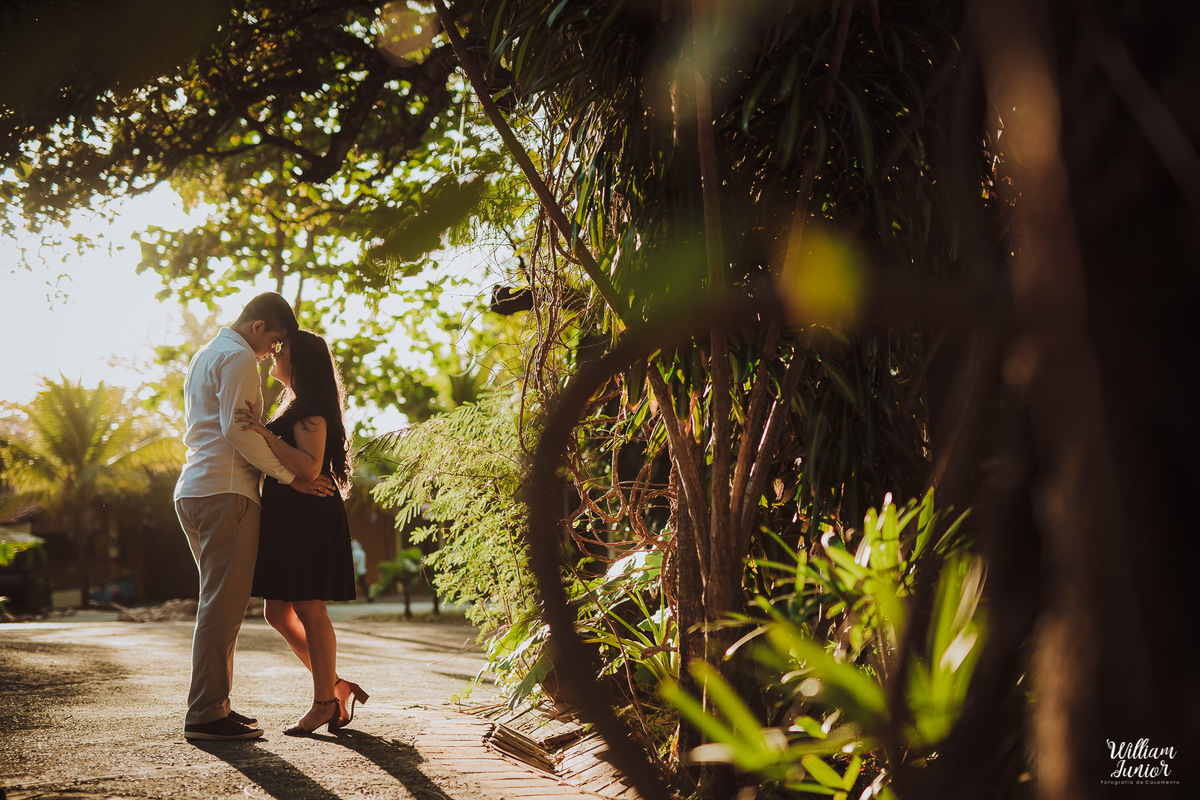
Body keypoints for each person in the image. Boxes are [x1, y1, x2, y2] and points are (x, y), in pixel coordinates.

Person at [174, 292, 334, 742]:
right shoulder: (240, 357)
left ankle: (216, 704)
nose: (273, 353)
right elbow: (237, 429)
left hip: (195, 489)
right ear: (258, 326)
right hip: (227, 491)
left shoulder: (206, 353)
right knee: (222, 608)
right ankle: (206, 713)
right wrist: (290, 476)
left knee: (217, 603)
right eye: (276, 340)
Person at [235, 329, 368, 736]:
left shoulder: (311, 408)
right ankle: (336, 687)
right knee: (276, 611)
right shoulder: (295, 402)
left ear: (300, 364)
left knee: (310, 609)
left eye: (284, 350)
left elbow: (309, 468)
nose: (275, 353)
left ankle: (324, 703)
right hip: (289, 513)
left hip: (307, 514)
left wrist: (261, 430)